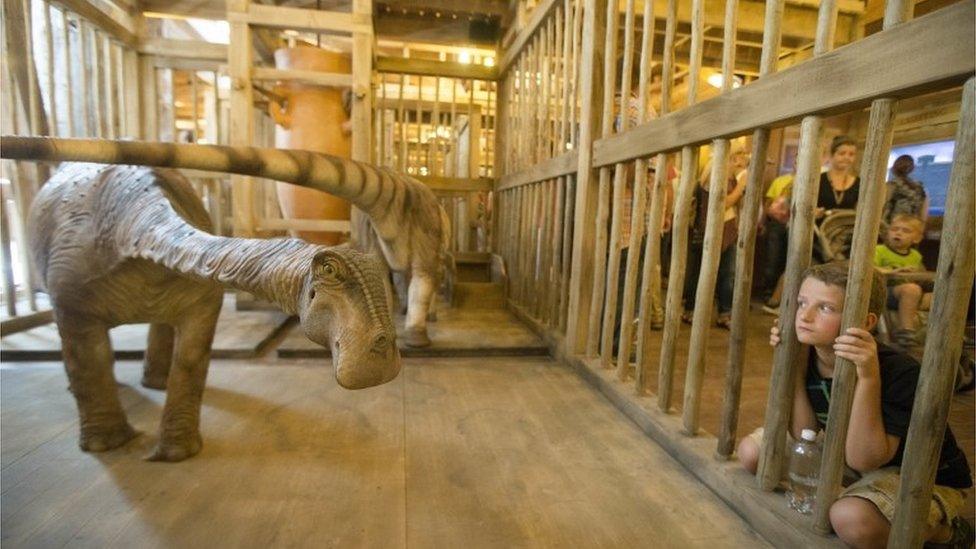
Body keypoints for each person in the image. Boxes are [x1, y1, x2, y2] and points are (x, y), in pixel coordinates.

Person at [737, 262, 973, 548]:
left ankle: (946, 532)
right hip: (851, 456)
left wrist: (868, 377)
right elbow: (804, 434)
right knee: (752, 453)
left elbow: (866, 459)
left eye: (825, 308)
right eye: (801, 303)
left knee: (851, 519)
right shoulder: (810, 355)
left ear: (867, 322)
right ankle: (862, 494)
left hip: (916, 475)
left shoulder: (899, 371)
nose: (804, 316)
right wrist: (794, 364)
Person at [682, 144, 749, 329]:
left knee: (728, 273)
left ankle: (724, 313)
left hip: (729, 229)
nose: (744, 159)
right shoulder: (714, 170)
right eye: (741, 155)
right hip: (710, 230)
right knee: (702, 271)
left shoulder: (733, 174)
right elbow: (724, 203)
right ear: (732, 156)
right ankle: (692, 310)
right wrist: (742, 185)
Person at [874, 214, 927, 351]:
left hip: (910, 293)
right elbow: (870, 268)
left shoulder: (916, 256)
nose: (898, 233)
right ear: (887, 232)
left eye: (906, 231)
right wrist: (896, 270)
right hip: (886, 291)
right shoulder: (879, 251)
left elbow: (921, 274)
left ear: (917, 238)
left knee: (938, 296)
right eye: (894, 229)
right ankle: (906, 331)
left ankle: (940, 330)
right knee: (911, 289)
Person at [759, 170, 794, 313]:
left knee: (789, 260)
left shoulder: (818, 179)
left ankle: (780, 297)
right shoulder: (780, 180)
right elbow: (768, 203)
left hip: (797, 225)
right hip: (777, 225)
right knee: (773, 259)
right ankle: (769, 294)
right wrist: (762, 223)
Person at [817, 135, 860, 215]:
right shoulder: (818, 180)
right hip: (820, 226)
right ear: (832, 155)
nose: (846, 157)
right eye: (842, 153)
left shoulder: (859, 183)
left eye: (851, 154)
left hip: (848, 227)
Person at [883, 155, 929, 226]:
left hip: (892, 229)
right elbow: (923, 216)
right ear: (912, 169)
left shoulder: (890, 186)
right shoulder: (921, 189)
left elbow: (880, 210)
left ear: (894, 168)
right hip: (912, 230)